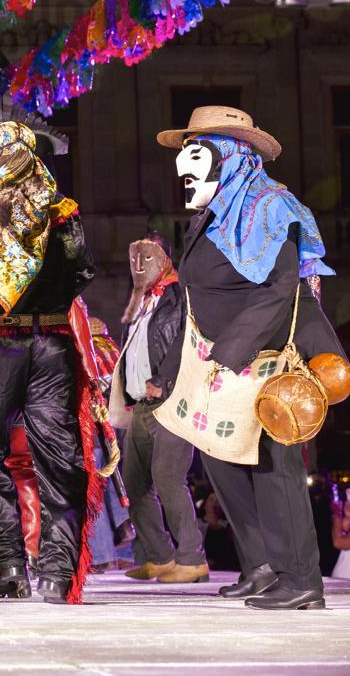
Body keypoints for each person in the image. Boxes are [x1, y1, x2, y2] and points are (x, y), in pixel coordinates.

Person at [155, 107, 348, 611]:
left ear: (233, 157)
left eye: (195, 154)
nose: (181, 168)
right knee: (221, 461)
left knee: (272, 467)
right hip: (217, 358)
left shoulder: (271, 208)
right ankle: (261, 565)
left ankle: (301, 579)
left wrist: (232, 350)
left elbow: (279, 289)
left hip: (263, 356)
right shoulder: (213, 214)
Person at [0, 109, 106, 605]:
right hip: (52, 345)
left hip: (4, 346)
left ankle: (10, 569)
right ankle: (54, 573)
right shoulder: (61, 210)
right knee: (60, 459)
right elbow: (82, 274)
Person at [107, 233, 208, 584]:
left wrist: (165, 379)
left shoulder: (180, 294)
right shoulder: (141, 299)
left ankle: (192, 558)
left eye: (147, 257)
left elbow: (189, 339)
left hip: (171, 401)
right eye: (135, 258)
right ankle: (161, 557)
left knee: (168, 478)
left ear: (163, 257)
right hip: (141, 408)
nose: (139, 265)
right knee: (134, 485)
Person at [330, 489, 350, 581]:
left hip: (349, 586)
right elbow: (343, 533)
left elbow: (339, 542)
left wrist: (336, 513)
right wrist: (348, 518)